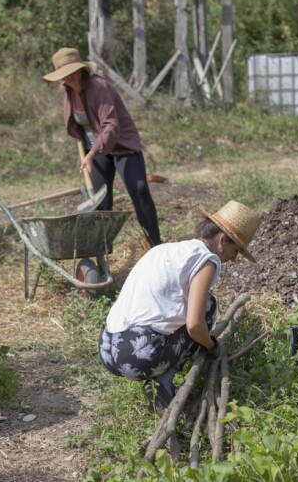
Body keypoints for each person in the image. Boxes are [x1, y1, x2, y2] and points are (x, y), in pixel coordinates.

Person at [98, 200, 260, 408]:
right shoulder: (207, 260)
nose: (235, 258)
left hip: (107, 349)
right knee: (208, 307)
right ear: (222, 240)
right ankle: (164, 381)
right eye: (236, 250)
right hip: (139, 357)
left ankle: (162, 372)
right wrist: (212, 346)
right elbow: (194, 325)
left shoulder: (164, 250)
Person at [43, 47, 162, 247]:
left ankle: (156, 244)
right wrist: (83, 153)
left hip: (121, 145)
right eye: (64, 74)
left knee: (139, 189)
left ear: (81, 69)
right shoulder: (65, 90)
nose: (69, 77)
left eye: (72, 71)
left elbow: (111, 126)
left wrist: (90, 155)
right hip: (93, 149)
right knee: (100, 201)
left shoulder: (99, 87)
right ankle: (101, 251)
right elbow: (74, 124)